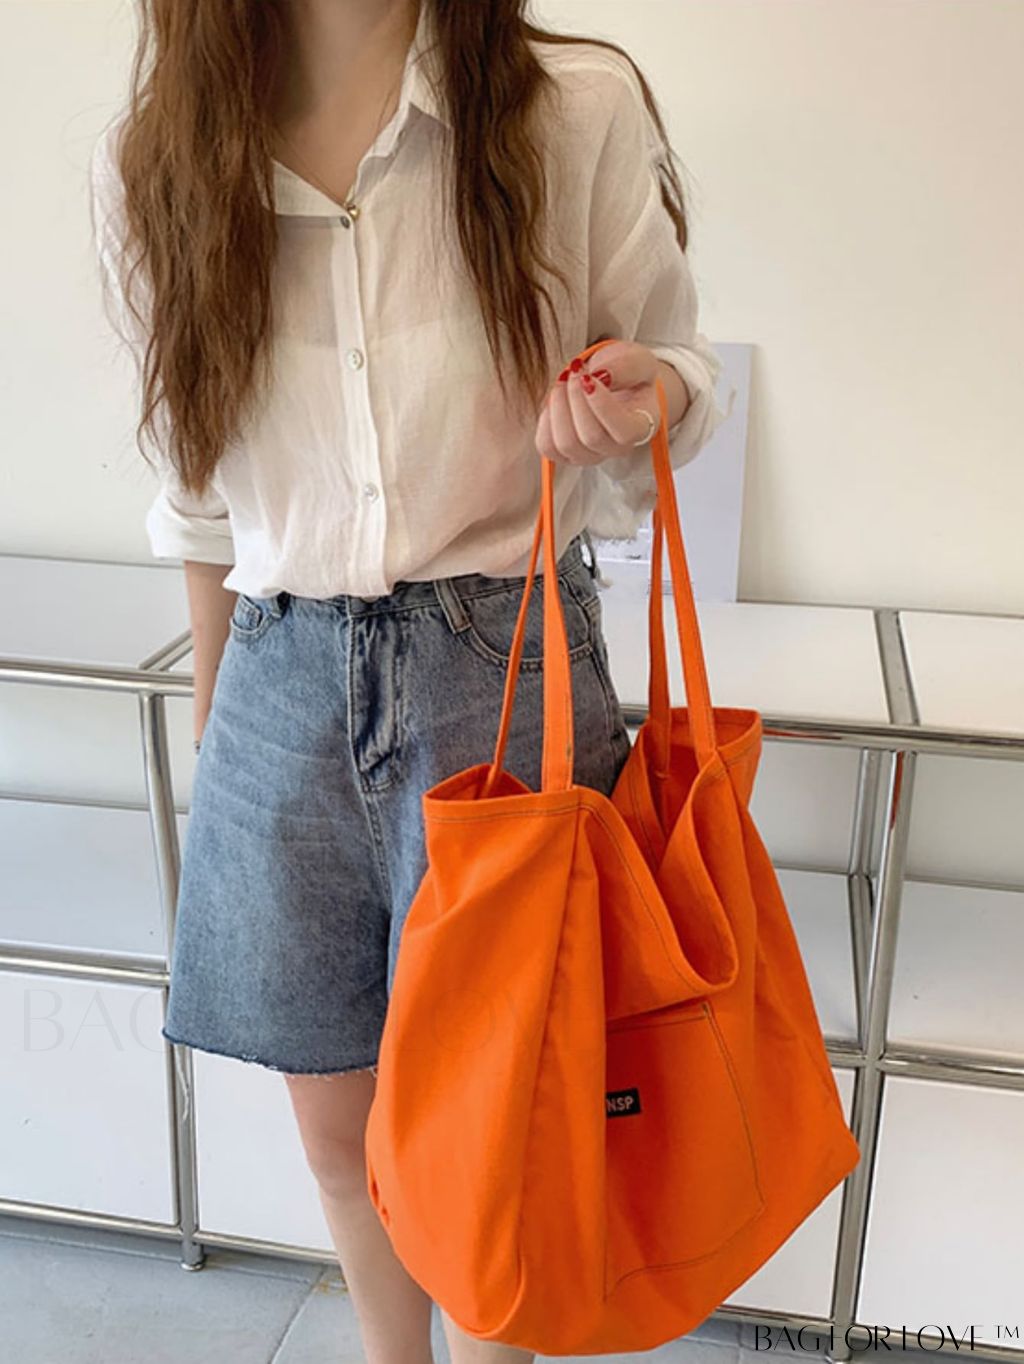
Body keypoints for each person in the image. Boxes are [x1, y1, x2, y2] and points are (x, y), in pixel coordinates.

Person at [89, 1, 730, 1359]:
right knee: (339, 1129)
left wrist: (643, 395)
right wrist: (218, 729)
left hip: (498, 666)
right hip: (274, 676)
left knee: (499, 1142)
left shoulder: (570, 107)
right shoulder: (165, 153)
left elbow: (681, 368)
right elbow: (197, 496)